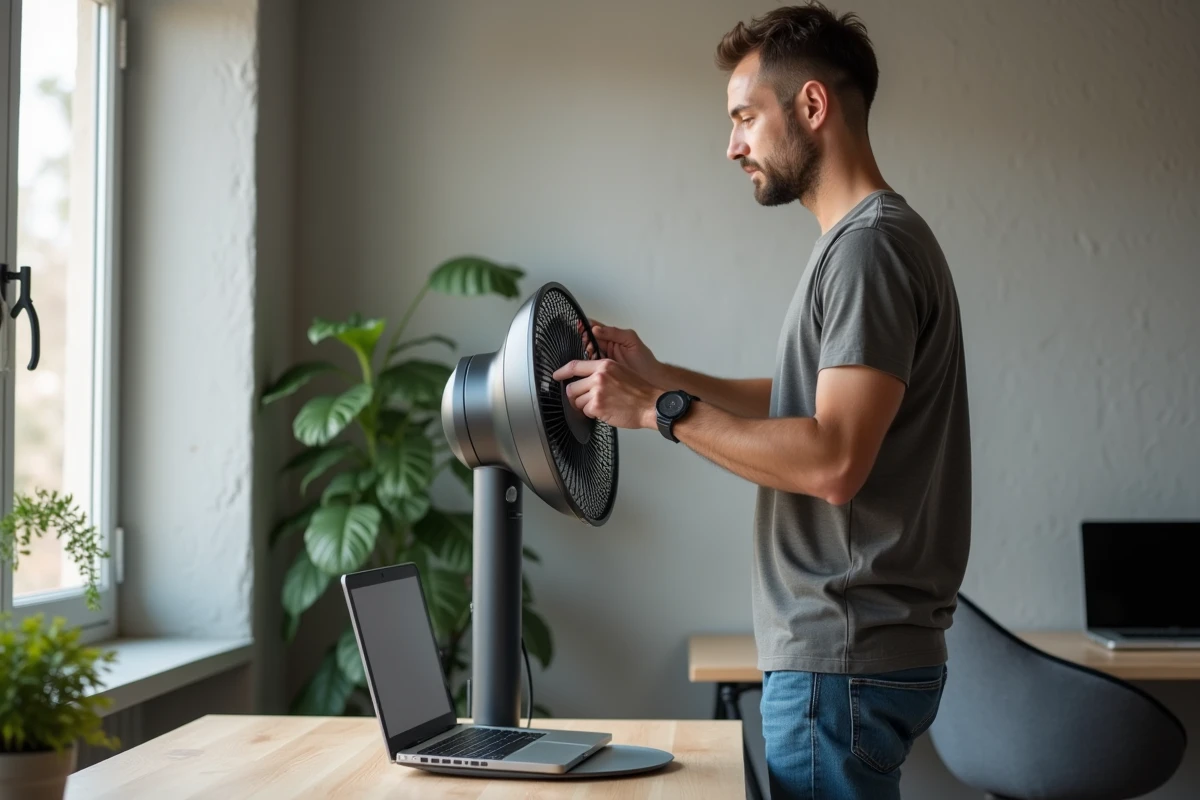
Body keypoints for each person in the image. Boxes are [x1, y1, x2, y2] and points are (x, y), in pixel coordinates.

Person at [552, 3, 971, 798]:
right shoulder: (868, 241)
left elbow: (835, 460)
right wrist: (663, 373)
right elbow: (802, 405)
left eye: (745, 117)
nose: (732, 144)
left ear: (811, 107)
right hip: (855, 661)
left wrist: (657, 411)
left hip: (840, 661)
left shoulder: (868, 250)